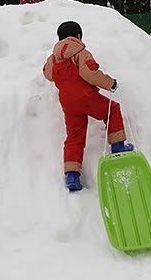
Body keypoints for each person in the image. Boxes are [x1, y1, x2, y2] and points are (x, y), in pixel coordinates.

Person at [42, 21, 133, 192]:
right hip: (86, 97)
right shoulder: (80, 53)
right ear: (78, 36)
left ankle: (72, 175)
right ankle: (119, 148)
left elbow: (47, 73)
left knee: (74, 136)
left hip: (68, 104)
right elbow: (90, 73)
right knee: (111, 109)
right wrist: (110, 83)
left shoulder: (53, 58)